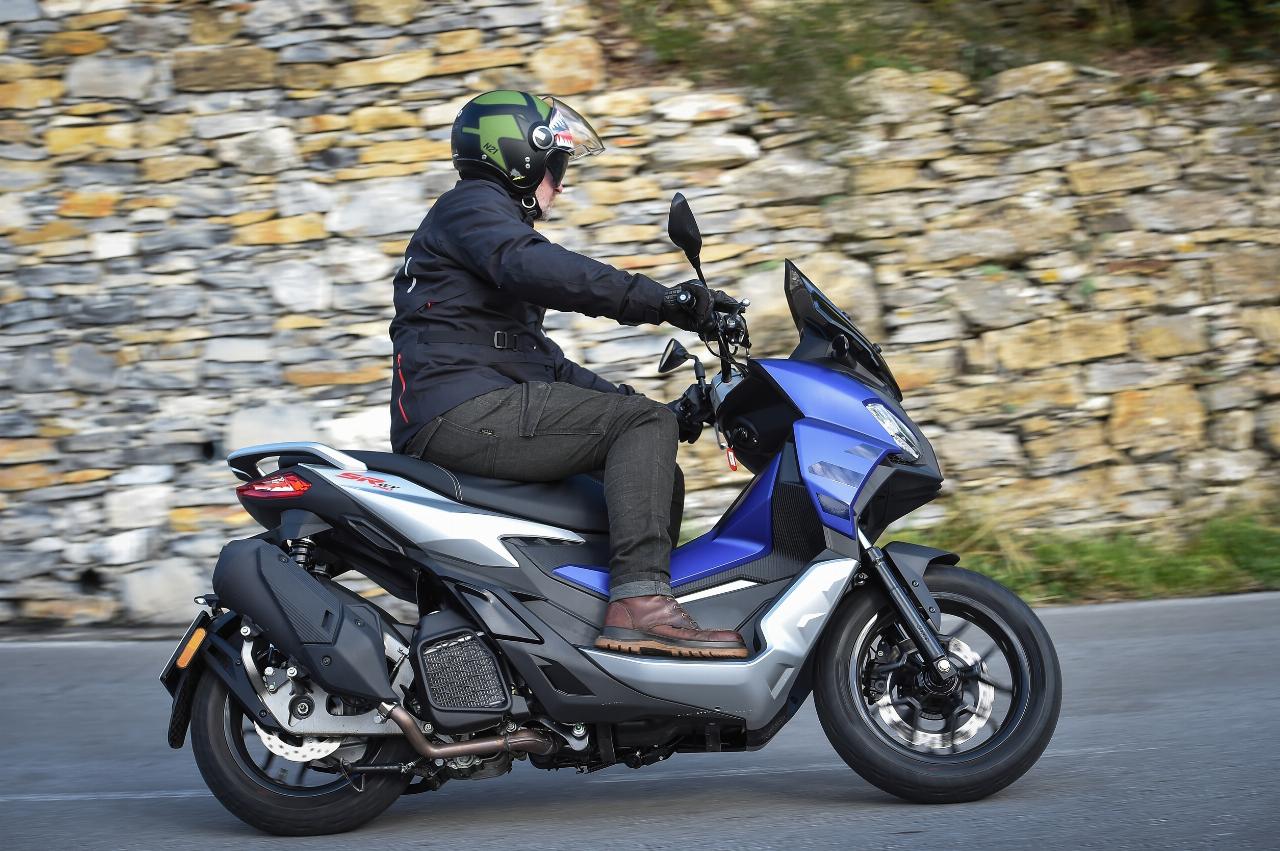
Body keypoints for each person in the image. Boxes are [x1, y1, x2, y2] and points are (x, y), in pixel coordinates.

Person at [388, 91, 747, 660]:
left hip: (473, 405)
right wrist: (664, 302)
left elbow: (542, 364)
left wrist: (672, 416)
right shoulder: (473, 208)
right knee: (640, 426)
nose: (559, 184)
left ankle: (585, 639)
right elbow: (541, 268)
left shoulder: (480, 229)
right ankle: (640, 607)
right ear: (521, 159)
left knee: (656, 464)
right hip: (458, 412)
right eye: (556, 166)